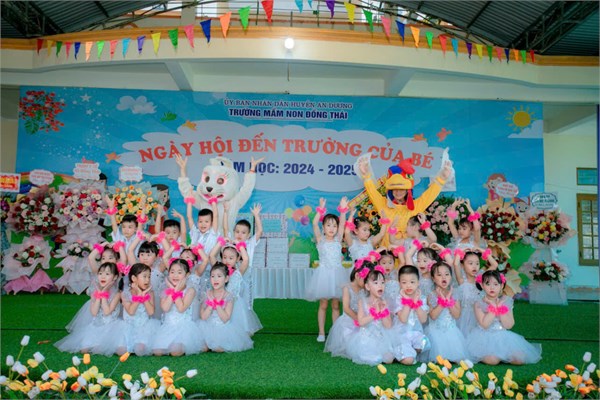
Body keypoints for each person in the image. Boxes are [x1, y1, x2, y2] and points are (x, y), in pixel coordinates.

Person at [357, 156, 452, 246]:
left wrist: (442, 178)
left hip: (409, 253)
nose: (398, 192)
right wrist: (366, 176)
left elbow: (429, 195)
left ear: (407, 190)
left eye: (401, 189)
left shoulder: (415, 206)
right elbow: (372, 193)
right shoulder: (383, 205)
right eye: (395, 189)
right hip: (387, 253)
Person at [467, 270, 541, 365]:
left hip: (502, 336)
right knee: (492, 360)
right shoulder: (478, 303)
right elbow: (485, 324)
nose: (492, 287)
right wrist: (493, 307)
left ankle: (503, 355)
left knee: (519, 359)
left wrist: (500, 308)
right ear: (482, 285)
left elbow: (509, 325)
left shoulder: (506, 301)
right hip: (484, 337)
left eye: (496, 284)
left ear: (501, 286)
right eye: (488, 284)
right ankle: (490, 356)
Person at [55, 262, 126, 356]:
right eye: (100, 273)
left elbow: (107, 312)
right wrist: (99, 294)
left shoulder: (117, 294)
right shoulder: (95, 292)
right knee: (84, 350)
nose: (103, 276)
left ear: (115, 277)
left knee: (103, 349)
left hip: (111, 327)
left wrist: (104, 293)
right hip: (96, 325)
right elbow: (94, 312)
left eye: (107, 274)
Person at [305, 197, 349, 342]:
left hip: (337, 275)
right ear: (323, 227)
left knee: (336, 305)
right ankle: (322, 333)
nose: (332, 228)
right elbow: (314, 223)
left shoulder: (338, 239)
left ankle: (335, 333)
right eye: (328, 225)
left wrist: (343, 210)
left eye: (334, 226)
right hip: (323, 276)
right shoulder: (320, 239)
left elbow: (343, 223)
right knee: (323, 304)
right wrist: (320, 209)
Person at [152, 258, 204, 356]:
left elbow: (181, 308)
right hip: (168, 326)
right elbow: (165, 308)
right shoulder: (165, 290)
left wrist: (175, 290)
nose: (175, 275)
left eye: (179, 272)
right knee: (157, 352)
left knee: (175, 352)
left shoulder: (190, 290)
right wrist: (172, 290)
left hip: (184, 328)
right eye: (172, 272)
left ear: (187, 275)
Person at [209, 240, 262, 335]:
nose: (227, 260)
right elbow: (212, 256)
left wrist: (239, 244)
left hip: (235, 305)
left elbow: (246, 260)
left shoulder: (238, 272)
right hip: (220, 302)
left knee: (235, 329)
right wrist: (221, 242)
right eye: (224, 257)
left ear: (237, 259)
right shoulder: (219, 270)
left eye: (231, 258)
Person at [345, 265, 395, 366]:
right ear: (368, 287)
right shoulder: (362, 301)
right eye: (376, 283)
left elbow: (388, 325)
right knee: (373, 358)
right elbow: (361, 322)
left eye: (382, 282)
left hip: (381, 337)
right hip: (366, 338)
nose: (380, 286)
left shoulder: (384, 302)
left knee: (389, 359)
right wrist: (375, 313)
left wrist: (383, 311)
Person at [198, 262, 253, 352]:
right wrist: (211, 304)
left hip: (222, 328)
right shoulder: (206, 294)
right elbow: (203, 317)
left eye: (219, 276)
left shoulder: (229, 296)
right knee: (202, 348)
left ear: (226, 279)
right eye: (212, 276)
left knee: (218, 348)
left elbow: (225, 318)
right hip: (207, 327)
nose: (215, 279)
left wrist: (217, 304)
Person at [425, 261, 469, 362]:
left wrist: (448, 300)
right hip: (435, 332)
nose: (443, 277)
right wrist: (442, 301)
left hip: (451, 331)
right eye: (439, 275)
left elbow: (457, 315)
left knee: (456, 358)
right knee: (441, 358)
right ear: (433, 278)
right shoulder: (431, 295)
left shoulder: (455, 294)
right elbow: (433, 316)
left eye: (447, 274)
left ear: (450, 277)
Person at [223, 201, 263, 308]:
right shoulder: (231, 242)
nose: (239, 234)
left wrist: (256, 215)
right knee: (231, 295)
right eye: (237, 231)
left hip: (246, 274)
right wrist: (226, 212)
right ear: (234, 232)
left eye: (243, 232)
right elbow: (225, 229)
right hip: (232, 273)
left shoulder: (250, 243)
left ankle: (246, 312)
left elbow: (259, 231)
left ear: (248, 235)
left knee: (246, 297)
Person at [324, 260, 366, 358]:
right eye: (366, 279)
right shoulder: (347, 288)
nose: (367, 283)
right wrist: (358, 319)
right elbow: (346, 308)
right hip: (349, 321)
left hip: (362, 319)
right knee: (351, 345)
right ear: (357, 276)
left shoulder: (365, 288)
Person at [453, 248, 498, 336]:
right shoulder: (462, 280)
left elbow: (494, 264)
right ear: (463, 265)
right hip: (465, 318)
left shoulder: (482, 279)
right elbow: (455, 263)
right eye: (470, 263)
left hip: (481, 316)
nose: (474, 266)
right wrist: (462, 251)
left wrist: (482, 251)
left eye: (477, 263)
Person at [391, 265, 429, 365]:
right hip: (401, 334)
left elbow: (423, 319)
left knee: (424, 343)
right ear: (399, 283)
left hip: (416, 333)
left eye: (412, 282)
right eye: (404, 282)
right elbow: (403, 319)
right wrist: (407, 300)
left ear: (418, 282)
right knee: (409, 360)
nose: (408, 286)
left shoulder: (422, 298)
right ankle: (403, 353)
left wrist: (416, 303)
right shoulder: (398, 299)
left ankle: (408, 352)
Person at [120, 263, 160, 356]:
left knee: (140, 350)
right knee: (121, 350)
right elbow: (131, 311)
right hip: (128, 327)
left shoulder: (150, 293)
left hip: (144, 327)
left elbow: (151, 312)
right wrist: (138, 295)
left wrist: (144, 296)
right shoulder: (125, 294)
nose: (147, 280)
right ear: (134, 278)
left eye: (149, 277)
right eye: (144, 276)